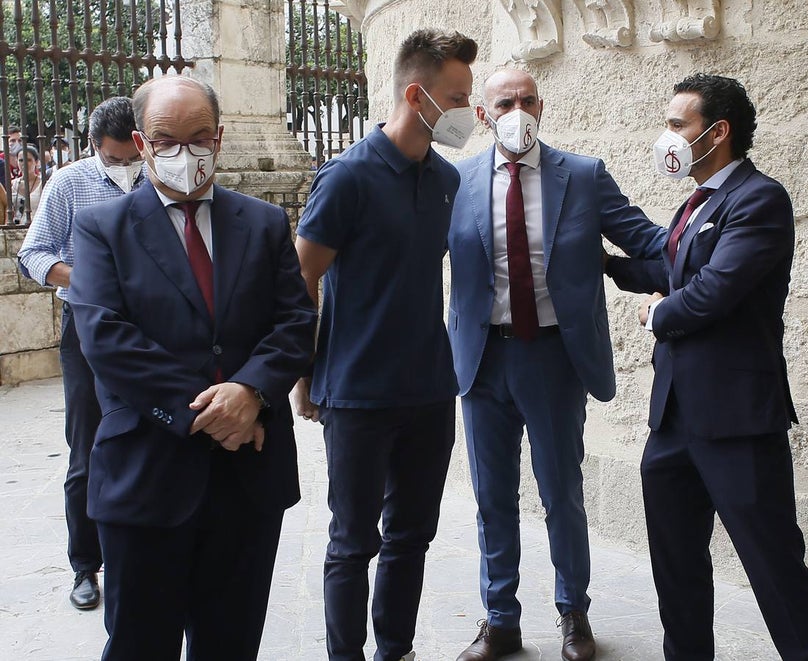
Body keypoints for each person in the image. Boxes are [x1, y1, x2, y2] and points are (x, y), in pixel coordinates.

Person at [67, 75, 316, 660]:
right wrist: (212, 410)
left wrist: (251, 392)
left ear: (220, 138)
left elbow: (295, 321)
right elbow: (105, 338)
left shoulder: (262, 223)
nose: (186, 154)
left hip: (249, 477)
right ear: (142, 142)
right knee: (139, 643)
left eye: (199, 137)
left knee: (231, 643)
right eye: (167, 140)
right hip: (147, 473)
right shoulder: (103, 228)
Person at [604, 74, 808, 660]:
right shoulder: (698, 201)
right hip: (675, 420)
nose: (668, 137)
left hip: (737, 422)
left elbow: (711, 292)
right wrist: (602, 264)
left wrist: (655, 317)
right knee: (676, 564)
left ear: (718, 132)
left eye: (678, 125)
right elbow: (670, 267)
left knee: (773, 565)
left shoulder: (759, 199)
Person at [448, 68, 665, 661]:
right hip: (482, 359)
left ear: (540, 105)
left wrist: (706, 244)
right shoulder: (457, 180)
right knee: (492, 497)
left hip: (552, 356)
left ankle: (574, 614)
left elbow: (642, 237)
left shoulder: (585, 176)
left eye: (526, 100)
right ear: (484, 115)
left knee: (561, 492)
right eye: (504, 103)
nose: (518, 110)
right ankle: (500, 619)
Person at [290, 29, 477, 661]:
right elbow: (302, 278)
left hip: (429, 390)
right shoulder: (347, 177)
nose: (466, 112)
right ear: (416, 93)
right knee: (352, 542)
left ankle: (395, 649)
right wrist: (302, 376)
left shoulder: (447, 179)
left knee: (411, 537)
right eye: (457, 97)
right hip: (358, 393)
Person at [17, 96, 145, 612]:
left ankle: (138, 550)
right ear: (96, 148)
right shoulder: (69, 184)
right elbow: (33, 253)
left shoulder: (156, 177)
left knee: (148, 435)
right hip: (87, 325)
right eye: (114, 160)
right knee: (87, 444)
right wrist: (88, 276)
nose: (124, 168)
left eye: (131, 156)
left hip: (149, 327)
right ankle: (84, 565)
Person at [9, 145, 43, 223]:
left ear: (36, 162)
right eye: (21, 160)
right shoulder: (13, 184)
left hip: (37, 227)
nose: (24, 163)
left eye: (28, 160)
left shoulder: (43, 183)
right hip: (15, 231)